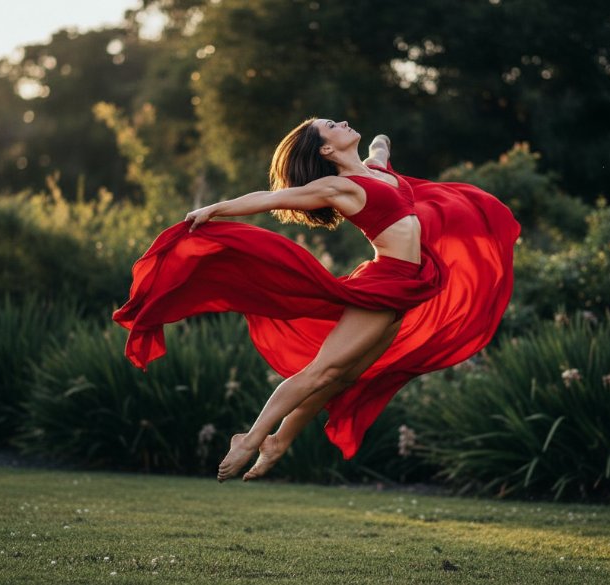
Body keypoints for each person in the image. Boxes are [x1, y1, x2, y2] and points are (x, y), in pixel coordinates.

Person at [112, 117, 520, 482]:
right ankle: (251, 438)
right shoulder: (338, 187)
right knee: (322, 372)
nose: (342, 122)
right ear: (326, 150)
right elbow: (270, 199)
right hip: (385, 284)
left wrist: (380, 142)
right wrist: (215, 209)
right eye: (331, 125)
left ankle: (280, 441)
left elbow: (380, 145)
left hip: (408, 284)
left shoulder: (377, 171)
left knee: (343, 377)